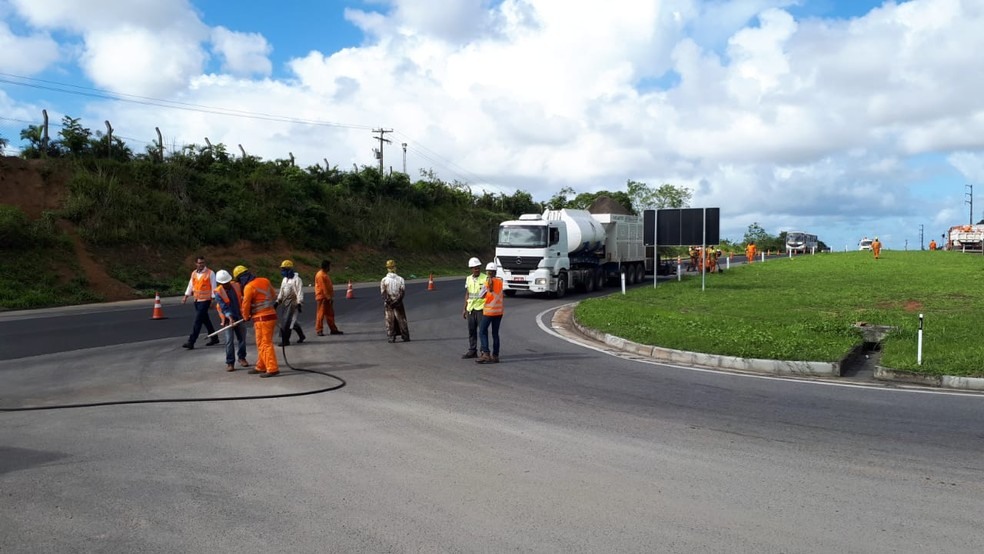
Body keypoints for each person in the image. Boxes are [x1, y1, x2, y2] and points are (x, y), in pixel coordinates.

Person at [236, 265, 279, 378]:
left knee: (265, 343)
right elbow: (274, 295)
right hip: (271, 316)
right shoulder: (265, 280)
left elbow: (245, 305)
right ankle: (261, 365)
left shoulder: (248, 287)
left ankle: (272, 368)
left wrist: (245, 316)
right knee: (261, 343)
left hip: (262, 319)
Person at [212, 269, 249, 372]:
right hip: (228, 320)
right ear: (220, 283)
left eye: (227, 282)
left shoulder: (236, 286)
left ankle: (242, 358)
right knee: (229, 341)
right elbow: (224, 307)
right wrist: (230, 318)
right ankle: (230, 362)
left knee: (242, 339)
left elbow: (244, 298)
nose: (227, 284)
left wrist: (245, 314)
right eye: (224, 283)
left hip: (239, 316)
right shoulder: (218, 292)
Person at [181, 256, 220, 349]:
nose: (201, 264)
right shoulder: (194, 273)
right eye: (199, 263)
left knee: (198, 321)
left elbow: (214, 286)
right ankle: (214, 337)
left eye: (203, 262)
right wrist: (186, 296)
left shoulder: (210, 273)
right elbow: (190, 285)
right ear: (196, 263)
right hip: (197, 300)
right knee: (205, 320)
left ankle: (191, 341)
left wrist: (213, 300)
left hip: (206, 300)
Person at [476, 262, 504, 364]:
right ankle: (495, 356)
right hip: (499, 312)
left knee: (482, 331)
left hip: (489, 312)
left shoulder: (486, 283)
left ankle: (486, 354)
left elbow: (480, 295)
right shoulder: (500, 282)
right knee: (495, 333)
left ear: (488, 272)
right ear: (496, 271)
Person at [275, 259, 306, 347]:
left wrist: (299, 303)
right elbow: (281, 291)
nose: (282, 271)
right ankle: (302, 335)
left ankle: (286, 340)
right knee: (287, 321)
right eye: (282, 269)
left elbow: (300, 291)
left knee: (289, 322)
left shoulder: (297, 279)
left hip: (294, 304)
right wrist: (277, 301)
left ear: (289, 269)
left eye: (284, 269)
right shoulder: (284, 280)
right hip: (285, 303)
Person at [461, 257, 487, 359]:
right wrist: (464, 308)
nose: (477, 269)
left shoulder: (485, 278)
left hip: (481, 307)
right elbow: (467, 294)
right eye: (474, 268)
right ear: (471, 269)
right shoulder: (468, 279)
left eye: (478, 268)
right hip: (471, 308)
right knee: (471, 330)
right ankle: (472, 350)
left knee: (482, 331)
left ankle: (483, 351)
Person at [380, 259, 410, 343]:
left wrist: (389, 302)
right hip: (398, 302)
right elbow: (402, 292)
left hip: (388, 304)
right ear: (395, 267)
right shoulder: (400, 279)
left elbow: (383, 293)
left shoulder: (384, 280)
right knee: (402, 319)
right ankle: (405, 336)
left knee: (389, 321)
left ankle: (391, 337)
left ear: (387, 268)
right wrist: (396, 301)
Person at [314, 259, 343, 336]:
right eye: (329, 266)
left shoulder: (324, 274)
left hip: (327, 297)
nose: (330, 268)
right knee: (321, 314)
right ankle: (319, 330)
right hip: (322, 297)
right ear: (326, 267)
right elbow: (324, 288)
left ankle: (333, 329)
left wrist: (329, 297)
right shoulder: (321, 275)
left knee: (330, 314)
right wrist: (328, 297)